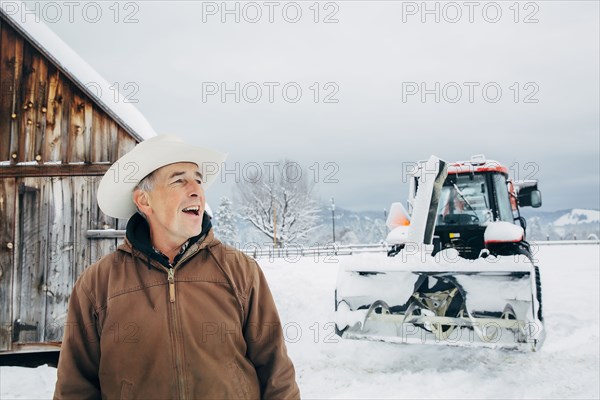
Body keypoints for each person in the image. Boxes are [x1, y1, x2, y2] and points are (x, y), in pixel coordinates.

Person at [54, 134, 300, 399]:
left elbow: (277, 373)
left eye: (198, 180)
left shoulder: (240, 270)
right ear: (144, 201)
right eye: (179, 180)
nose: (196, 190)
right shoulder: (98, 283)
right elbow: (75, 388)